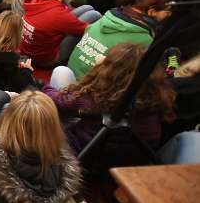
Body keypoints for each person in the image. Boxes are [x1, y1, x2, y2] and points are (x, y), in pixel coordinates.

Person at [44, 43, 176, 171]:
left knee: (61, 72)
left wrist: (40, 84)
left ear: (111, 71)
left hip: (85, 158)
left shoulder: (93, 98)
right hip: (131, 165)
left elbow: (56, 100)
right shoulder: (159, 100)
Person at [67, 0, 175, 80]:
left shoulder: (107, 17)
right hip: (87, 89)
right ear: (152, 11)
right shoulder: (144, 40)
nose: (169, 16)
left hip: (70, 75)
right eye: (168, 12)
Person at [21, 0, 102, 68]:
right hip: (44, 61)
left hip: (30, 50)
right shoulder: (59, 15)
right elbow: (88, 29)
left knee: (87, 7)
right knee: (94, 15)